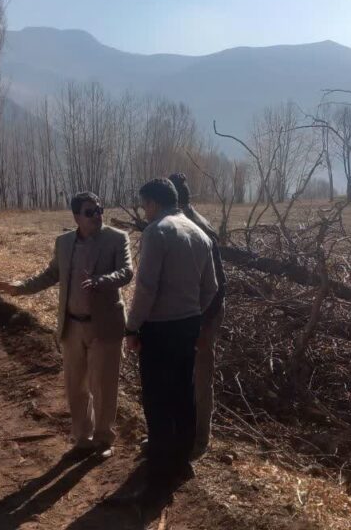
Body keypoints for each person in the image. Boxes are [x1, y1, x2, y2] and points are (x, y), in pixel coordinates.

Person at [0, 192, 133, 460]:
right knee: (75, 386)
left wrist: (101, 281)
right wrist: (19, 287)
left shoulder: (117, 238)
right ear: (77, 217)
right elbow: (50, 275)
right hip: (72, 327)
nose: (97, 215)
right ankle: (83, 438)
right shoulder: (64, 242)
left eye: (99, 209)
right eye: (90, 212)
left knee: (103, 387)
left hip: (104, 326)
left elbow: (126, 272)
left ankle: (104, 439)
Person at [125, 178, 217, 502]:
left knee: (157, 400)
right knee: (183, 395)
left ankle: (159, 476)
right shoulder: (200, 234)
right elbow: (211, 287)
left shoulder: (157, 232)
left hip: (160, 329)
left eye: (144, 205)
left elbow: (146, 287)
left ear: (153, 202)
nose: (144, 212)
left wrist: (132, 327)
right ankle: (180, 463)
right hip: (188, 325)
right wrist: (193, 313)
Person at [168, 173, 226, 459]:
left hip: (203, 315)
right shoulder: (174, 225)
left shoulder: (198, 229)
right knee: (178, 375)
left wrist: (203, 327)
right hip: (182, 314)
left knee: (200, 377)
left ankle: (200, 439)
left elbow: (218, 286)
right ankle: (176, 433)